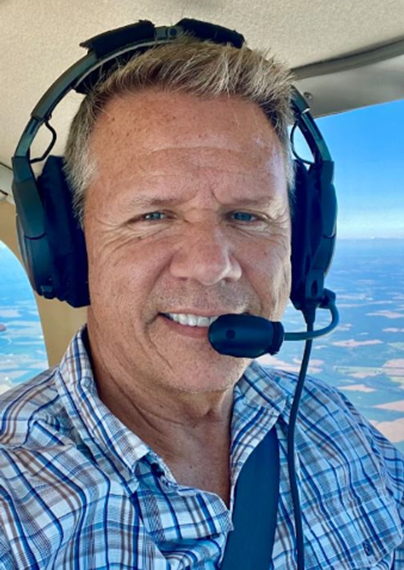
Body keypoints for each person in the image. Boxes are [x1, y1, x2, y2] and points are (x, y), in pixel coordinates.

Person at [1, 27, 403, 570]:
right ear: (70, 249)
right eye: (153, 216)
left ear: (303, 244)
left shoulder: (337, 425)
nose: (211, 265)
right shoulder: (14, 502)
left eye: (247, 216)